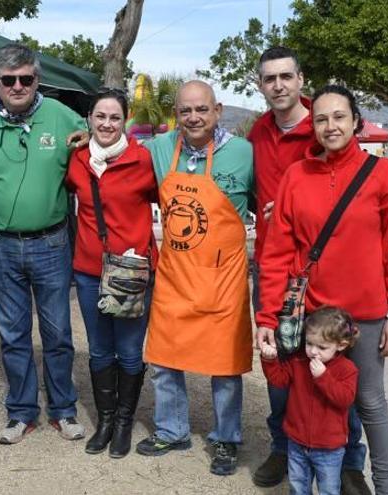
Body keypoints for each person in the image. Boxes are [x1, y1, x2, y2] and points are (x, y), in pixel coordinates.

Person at [256, 84, 388, 495]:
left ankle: (387, 487)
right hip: (311, 314)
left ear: (356, 121)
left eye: (339, 116)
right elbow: (276, 254)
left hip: (365, 313)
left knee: (369, 402)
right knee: (310, 398)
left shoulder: (381, 175)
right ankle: (316, 478)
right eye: (321, 118)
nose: (330, 126)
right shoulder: (296, 176)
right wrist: (267, 316)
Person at [248, 46, 368, 492]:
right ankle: (285, 448)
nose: (278, 85)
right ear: (261, 85)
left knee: (335, 364)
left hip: (324, 274)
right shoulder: (258, 133)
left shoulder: (322, 130)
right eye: (269, 78)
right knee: (284, 369)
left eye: (286, 77)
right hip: (278, 271)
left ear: (300, 79)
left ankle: (349, 461)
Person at [0, 43, 87, 445]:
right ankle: (21, 412)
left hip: (51, 243)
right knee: (13, 334)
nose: (18, 86)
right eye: (9, 80)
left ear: (37, 80)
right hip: (0, 245)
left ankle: (64, 410)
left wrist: (86, 136)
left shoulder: (60, 114)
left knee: (57, 333)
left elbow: (96, 138)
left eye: (26, 79)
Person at [134, 80, 254, 477]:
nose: (193, 117)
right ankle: (172, 430)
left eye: (201, 109)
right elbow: (117, 151)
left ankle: (226, 438)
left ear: (217, 110)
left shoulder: (243, 152)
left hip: (224, 278)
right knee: (164, 359)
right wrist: (84, 139)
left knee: (225, 365)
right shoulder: (160, 148)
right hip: (175, 275)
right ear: (176, 113)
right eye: (185, 111)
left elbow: (274, 197)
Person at [65, 88, 158, 458]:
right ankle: (104, 420)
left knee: (130, 350)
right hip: (89, 269)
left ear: (125, 120)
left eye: (115, 117)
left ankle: (123, 422)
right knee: (100, 349)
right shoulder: (76, 160)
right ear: (89, 118)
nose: (107, 123)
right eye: (100, 116)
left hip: (131, 271)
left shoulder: (143, 160)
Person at [261, 307, 360, 495]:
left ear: (341, 345)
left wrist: (323, 377)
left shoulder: (347, 369)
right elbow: (278, 380)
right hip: (297, 442)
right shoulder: (299, 362)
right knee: (298, 486)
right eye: (309, 343)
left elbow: (345, 399)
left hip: (329, 448)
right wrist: (269, 360)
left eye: (322, 347)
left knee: (329, 490)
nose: (313, 351)